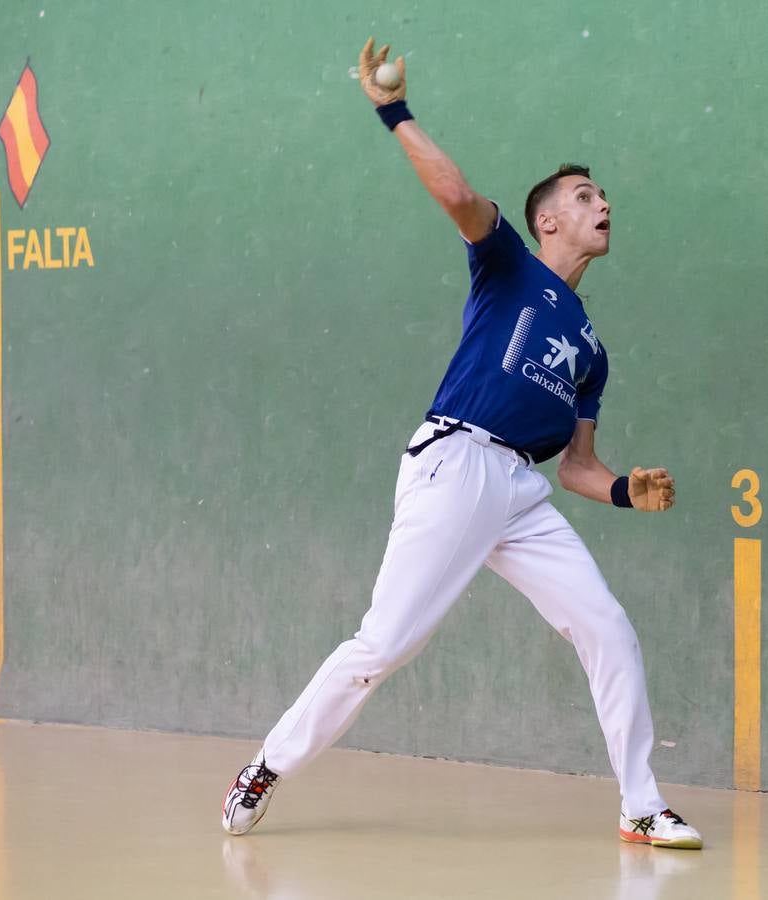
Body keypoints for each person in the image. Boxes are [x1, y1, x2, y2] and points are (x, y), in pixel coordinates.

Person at [221, 37, 702, 850]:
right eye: (586, 196)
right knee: (385, 645)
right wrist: (390, 109)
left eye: (604, 196)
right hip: (454, 461)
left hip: (519, 492)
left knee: (607, 627)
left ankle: (640, 803)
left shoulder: (590, 347)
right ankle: (268, 764)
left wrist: (624, 490)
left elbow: (577, 464)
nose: (602, 205)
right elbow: (456, 193)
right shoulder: (508, 266)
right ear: (547, 219)